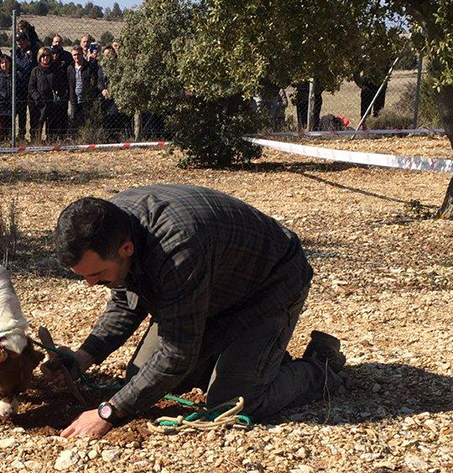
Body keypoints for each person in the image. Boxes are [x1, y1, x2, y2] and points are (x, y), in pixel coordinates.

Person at [44, 186, 347, 438]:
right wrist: (82, 357)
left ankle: (320, 366)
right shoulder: (108, 224)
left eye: (96, 275)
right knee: (139, 377)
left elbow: (176, 355)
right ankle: (258, 357)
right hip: (212, 288)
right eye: (82, 276)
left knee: (233, 401)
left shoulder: (177, 250)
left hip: (269, 285)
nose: (90, 284)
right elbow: (125, 302)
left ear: (126, 249)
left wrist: (108, 411)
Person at [28, 46, 67, 141]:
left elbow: (61, 84)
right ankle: (36, 142)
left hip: (52, 102)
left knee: (51, 124)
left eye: (47, 56)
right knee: (37, 124)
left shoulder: (55, 70)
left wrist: (59, 94)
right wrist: (37, 97)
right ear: (39, 57)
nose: (45, 58)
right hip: (38, 103)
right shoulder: (35, 70)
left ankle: (50, 141)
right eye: (43, 56)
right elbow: (31, 86)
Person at [13, 33, 35, 140]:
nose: (20, 44)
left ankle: (33, 134)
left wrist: (30, 58)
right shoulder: (15, 53)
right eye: (18, 42)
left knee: (32, 112)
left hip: (30, 86)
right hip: (18, 87)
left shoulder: (32, 52)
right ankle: (20, 135)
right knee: (20, 112)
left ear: (26, 41)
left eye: (22, 42)